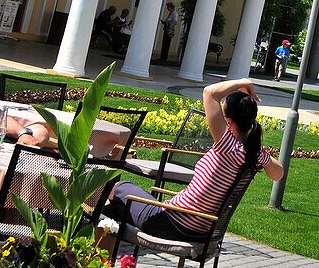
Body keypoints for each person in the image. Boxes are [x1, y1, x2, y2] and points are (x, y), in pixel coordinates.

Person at [105, 78, 284, 240]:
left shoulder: (227, 145)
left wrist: (243, 82)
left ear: (228, 121)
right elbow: (278, 173)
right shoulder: (253, 152)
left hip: (171, 223)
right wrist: (263, 155)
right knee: (111, 212)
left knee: (118, 188)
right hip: (200, 229)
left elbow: (210, 93)